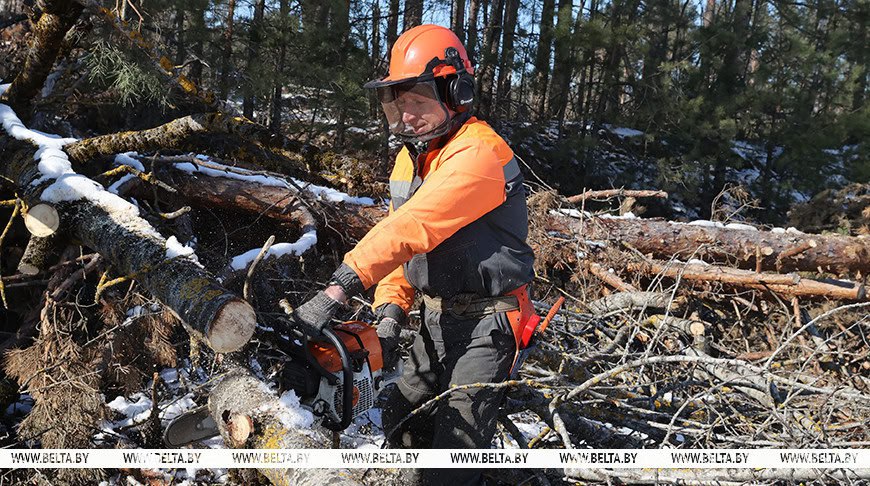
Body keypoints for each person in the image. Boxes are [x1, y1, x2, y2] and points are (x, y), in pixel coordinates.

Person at [291, 24, 536, 485]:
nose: (406, 116)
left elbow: (413, 227)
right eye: (398, 104)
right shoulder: (412, 158)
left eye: (417, 103)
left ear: (455, 92)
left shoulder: (480, 154)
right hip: (436, 318)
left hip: (489, 322)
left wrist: (340, 286)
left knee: (454, 453)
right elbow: (401, 239)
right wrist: (389, 311)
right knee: (401, 420)